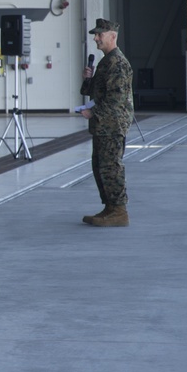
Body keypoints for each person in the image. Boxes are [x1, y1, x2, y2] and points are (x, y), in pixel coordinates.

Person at [80, 18, 134, 227]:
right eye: (95, 34)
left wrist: (93, 112)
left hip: (112, 124)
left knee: (111, 167)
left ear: (112, 36)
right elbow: (92, 91)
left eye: (99, 34)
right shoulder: (106, 61)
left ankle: (119, 211)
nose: (95, 38)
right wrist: (88, 78)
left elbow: (116, 98)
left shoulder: (117, 63)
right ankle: (110, 207)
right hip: (104, 125)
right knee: (100, 167)